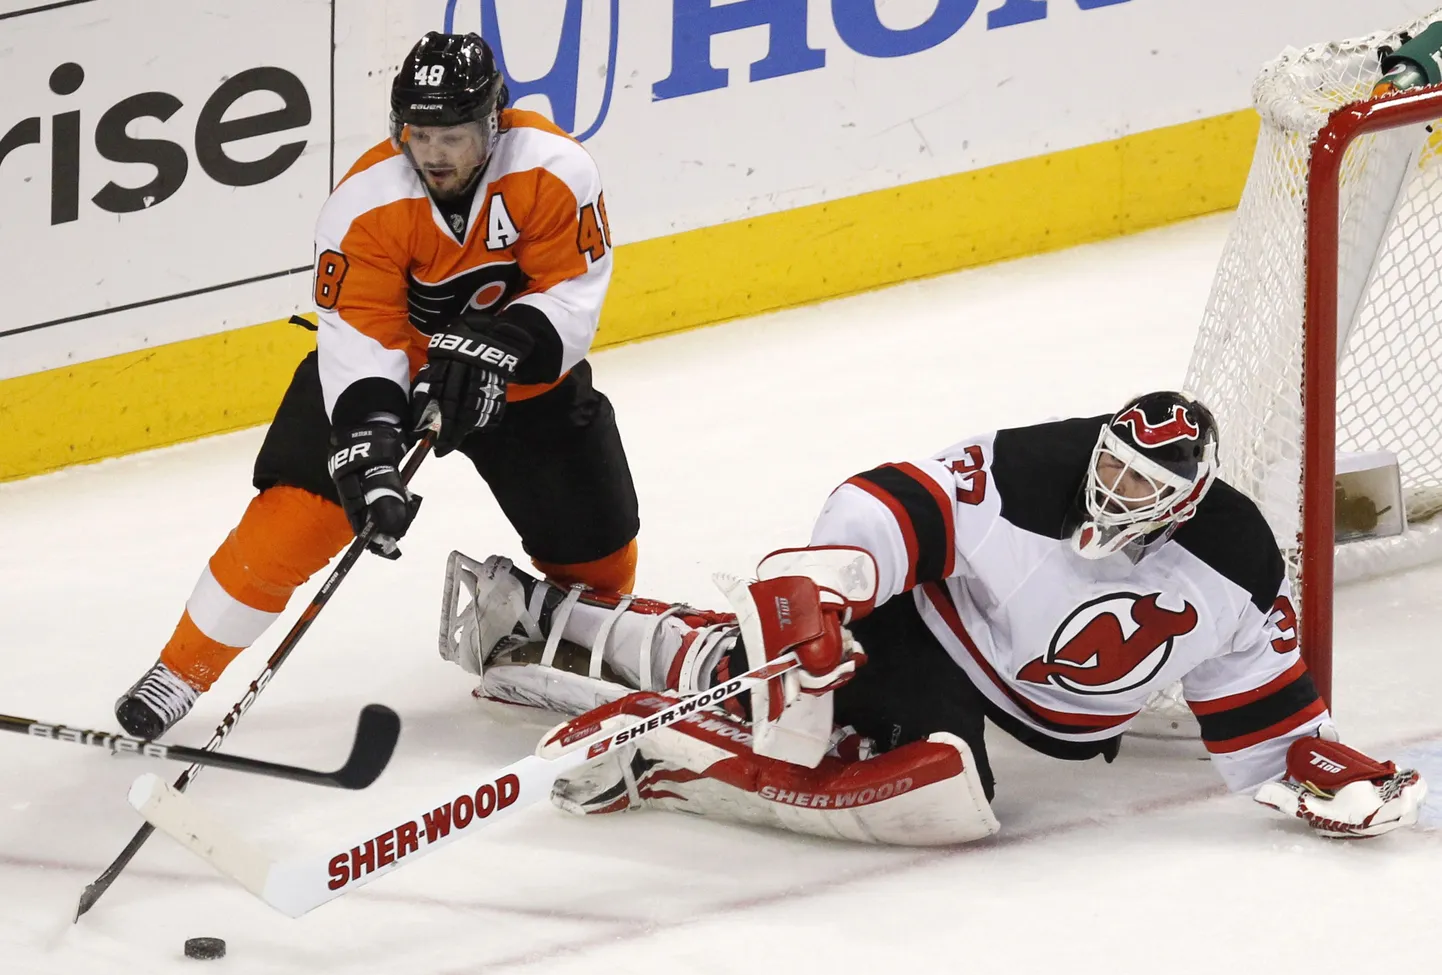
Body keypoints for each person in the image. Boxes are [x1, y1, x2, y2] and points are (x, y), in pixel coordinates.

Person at [439, 391, 1426, 844]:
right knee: (924, 776)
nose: (1112, 489)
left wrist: (1309, 764)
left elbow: (1258, 710)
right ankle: (560, 634)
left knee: (919, 774)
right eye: (1110, 464)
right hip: (933, 625)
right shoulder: (1028, 465)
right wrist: (821, 593)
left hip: (1033, 695)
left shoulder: (1237, 557)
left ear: (1189, 493)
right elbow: (887, 502)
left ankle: (668, 734)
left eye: (1141, 481)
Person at [115, 32, 640, 740]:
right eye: (419, 133)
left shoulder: (553, 170)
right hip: (397, 372)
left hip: (520, 385)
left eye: (452, 134)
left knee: (596, 550)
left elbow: (573, 295)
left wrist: (498, 349)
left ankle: (575, 643)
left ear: (493, 121)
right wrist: (370, 441)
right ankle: (180, 670)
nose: (433, 153)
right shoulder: (366, 202)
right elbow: (361, 335)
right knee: (297, 515)